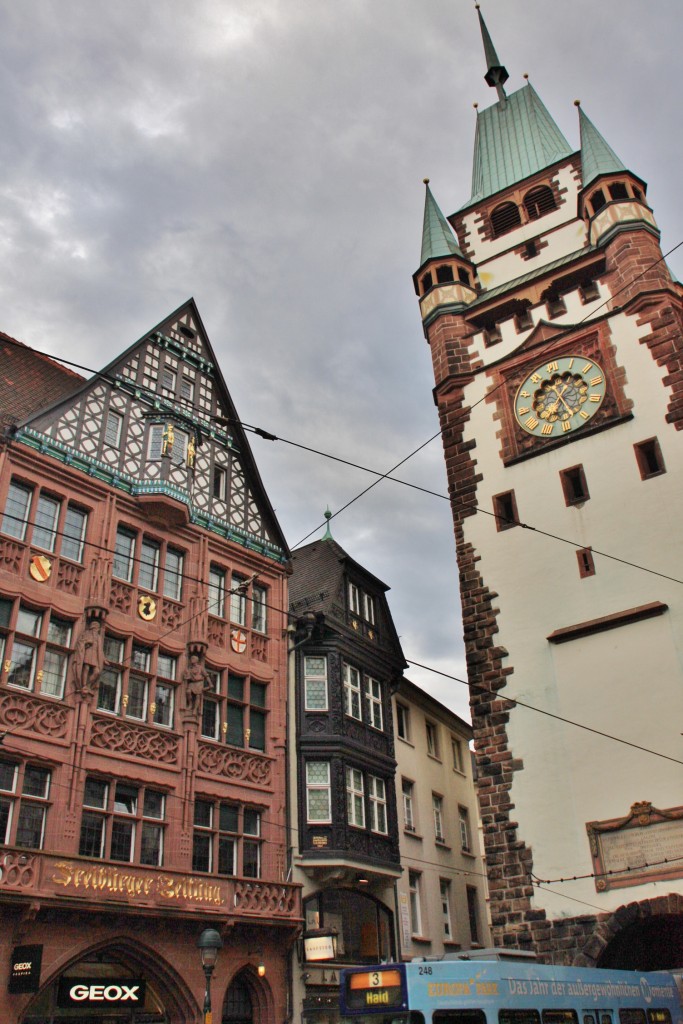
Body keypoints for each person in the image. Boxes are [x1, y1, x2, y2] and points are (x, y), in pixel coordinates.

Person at [71, 617, 105, 696]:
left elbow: (100, 650)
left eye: (98, 628)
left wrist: (103, 658)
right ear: (93, 628)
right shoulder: (86, 633)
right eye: (96, 628)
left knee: (97, 671)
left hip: (95, 656)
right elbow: (80, 642)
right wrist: (87, 642)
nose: (97, 630)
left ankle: (89, 685)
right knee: (86, 668)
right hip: (88, 653)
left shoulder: (99, 637)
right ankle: (84, 685)